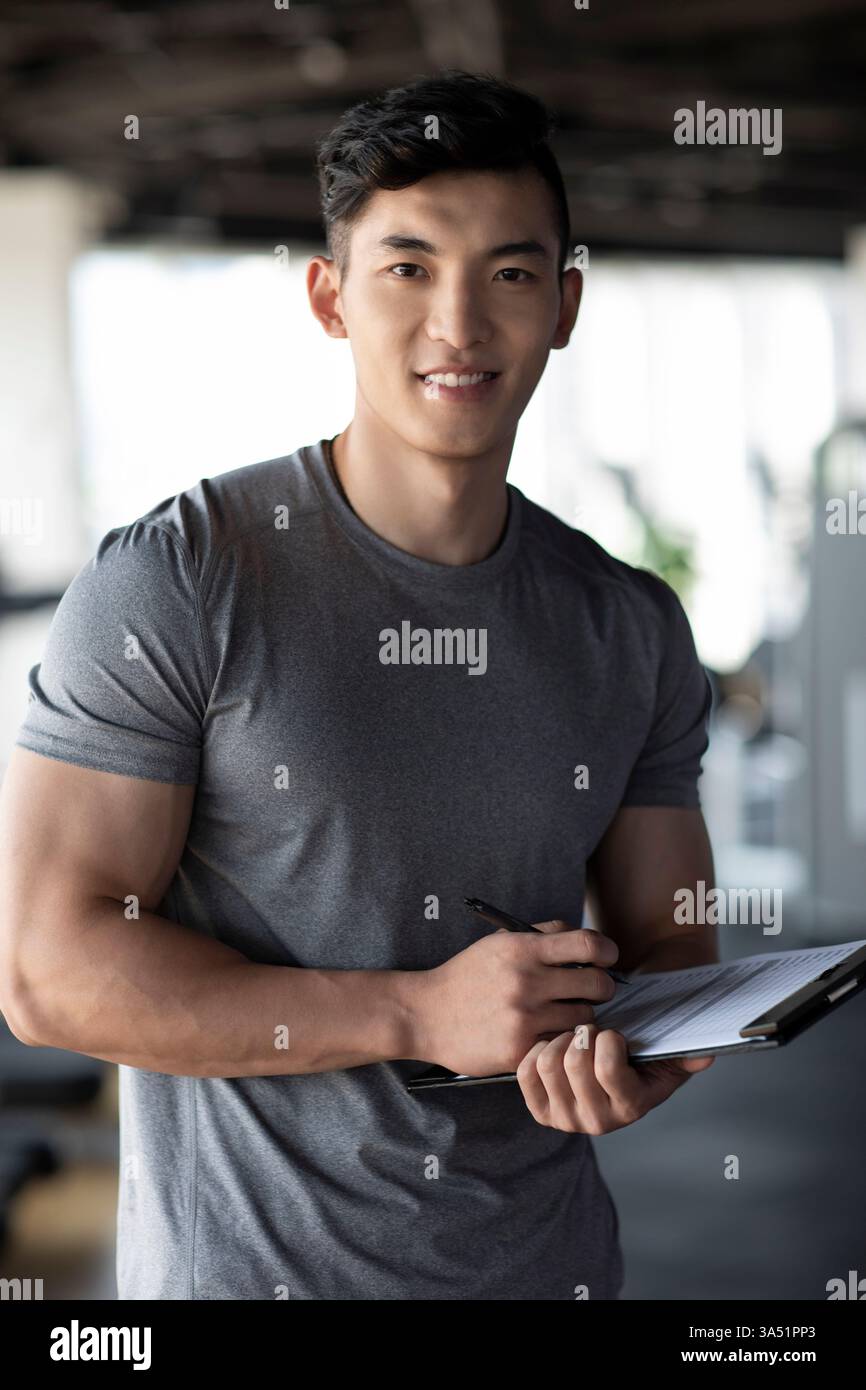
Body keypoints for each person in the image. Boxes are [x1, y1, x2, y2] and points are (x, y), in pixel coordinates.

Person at [0, 69, 717, 1301]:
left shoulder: (627, 623)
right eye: (406, 267)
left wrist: (635, 1043)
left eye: (508, 272)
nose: (458, 323)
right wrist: (411, 1013)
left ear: (565, 303)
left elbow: (670, 932)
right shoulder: (182, 579)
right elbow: (45, 970)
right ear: (329, 296)